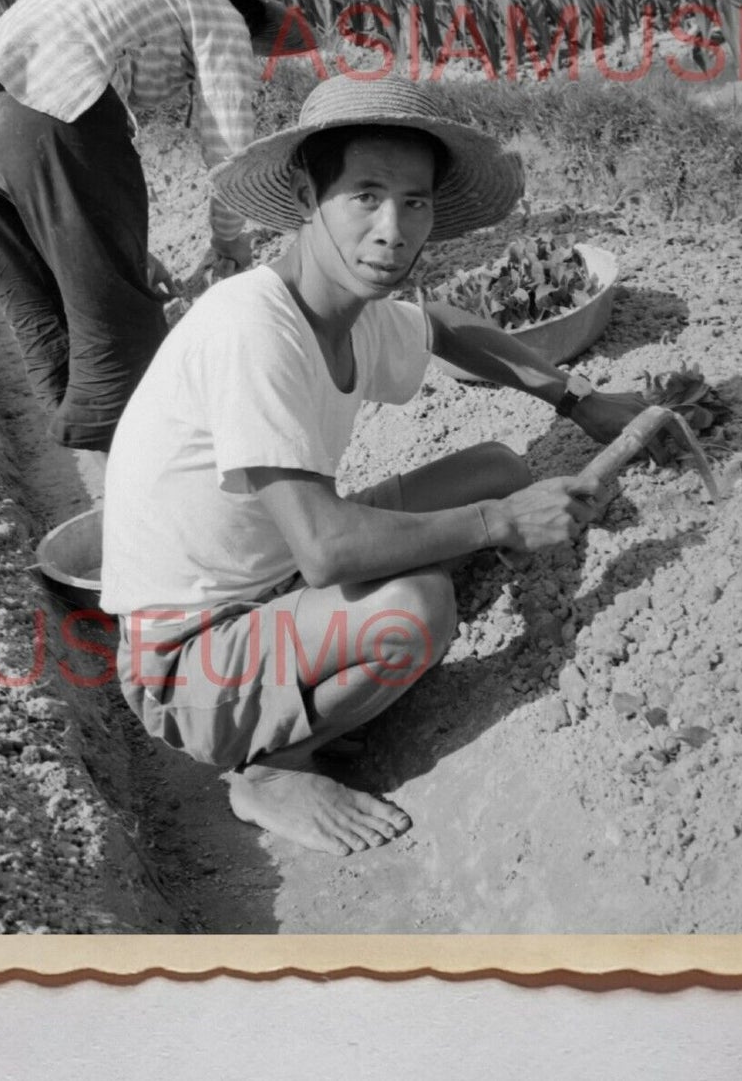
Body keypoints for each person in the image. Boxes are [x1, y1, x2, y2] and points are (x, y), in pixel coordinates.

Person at [100, 75, 660, 858]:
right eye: (365, 196)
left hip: (267, 589)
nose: (393, 229)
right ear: (307, 197)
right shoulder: (251, 329)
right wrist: (500, 524)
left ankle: (316, 669)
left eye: (415, 202)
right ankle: (269, 771)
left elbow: (439, 325)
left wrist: (576, 399)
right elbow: (325, 550)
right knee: (416, 608)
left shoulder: (344, 312)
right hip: (186, 666)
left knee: (495, 463)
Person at [0, 0, 283, 474]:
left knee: (37, 303)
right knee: (117, 321)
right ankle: (149, 482)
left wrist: (127, 248)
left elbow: (76, 151)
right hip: (48, 121)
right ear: (246, 5)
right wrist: (229, 239)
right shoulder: (220, 13)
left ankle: (104, 476)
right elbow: (228, 135)